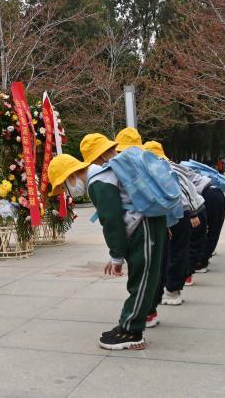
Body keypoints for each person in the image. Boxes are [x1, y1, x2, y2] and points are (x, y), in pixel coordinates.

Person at [80, 133, 167, 351]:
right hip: (147, 224)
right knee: (141, 276)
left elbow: (111, 220)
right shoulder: (113, 171)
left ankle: (132, 331)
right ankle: (128, 324)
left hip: (144, 226)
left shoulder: (100, 179)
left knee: (143, 279)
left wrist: (116, 255)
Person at [142, 141, 204, 307]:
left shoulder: (163, 167)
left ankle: (172, 290)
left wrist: (191, 212)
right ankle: (171, 290)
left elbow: (183, 190)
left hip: (180, 213)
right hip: (172, 214)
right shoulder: (162, 166)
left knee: (174, 252)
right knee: (172, 253)